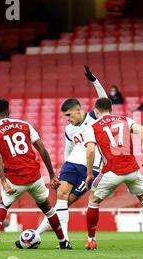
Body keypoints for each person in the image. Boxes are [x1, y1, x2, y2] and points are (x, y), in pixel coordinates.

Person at [83, 97, 143, 250]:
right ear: (111, 110)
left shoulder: (92, 126)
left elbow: (90, 150)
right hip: (132, 169)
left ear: (96, 111)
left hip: (111, 171)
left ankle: (91, 240)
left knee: (93, 201)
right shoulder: (125, 119)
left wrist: (89, 174)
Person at [0, 97, 72, 250]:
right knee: (48, 209)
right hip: (34, 177)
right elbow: (42, 149)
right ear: (8, 112)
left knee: (3, 204)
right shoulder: (25, 125)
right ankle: (63, 241)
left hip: (14, 180)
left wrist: (3, 180)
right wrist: (52, 175)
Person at [35, 65, 106, 241]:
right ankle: (60, 239)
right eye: (65, 116)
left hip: (91, 168)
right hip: (71, 165)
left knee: (66, 202)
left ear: (78, 110)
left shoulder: (93, 118)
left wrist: (95, 81)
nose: (67, 119)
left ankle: (37, 233)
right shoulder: (69, 130)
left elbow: (104, 100)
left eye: (69, 115)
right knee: (60, 198)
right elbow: (68, 149)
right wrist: (62, 171)